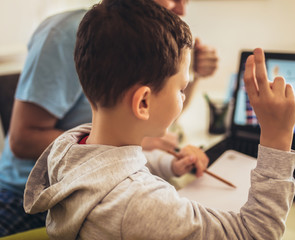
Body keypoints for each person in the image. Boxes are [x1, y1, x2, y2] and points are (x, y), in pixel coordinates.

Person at [24, 0, 295, 238]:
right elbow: (254, 233)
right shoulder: (140, 206)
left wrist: (168, 165)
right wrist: (277, 138)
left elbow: (110, 167)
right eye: (181, 88)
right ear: (143, 102)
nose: (183, 95)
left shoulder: (69, 145)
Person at [0, 0, 217, 236]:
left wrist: (191, 75)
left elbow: (155, 114)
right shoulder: (63, 35)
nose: (182, 10)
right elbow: (22, 140)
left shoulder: (145, 44)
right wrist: (142, 143)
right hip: (30, 195)